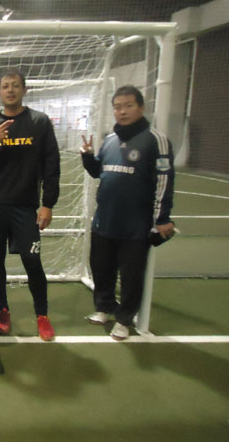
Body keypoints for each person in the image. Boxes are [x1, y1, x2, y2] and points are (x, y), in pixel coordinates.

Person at [0, 68, 60, 341]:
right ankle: (3, 310)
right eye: (5, 86)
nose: (10, 90)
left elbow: (51, 165)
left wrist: (48, 204)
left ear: (24, 90)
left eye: (15, 85)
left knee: (32, 261)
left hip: (24, 207)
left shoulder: (39, 122)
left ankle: (42, 315)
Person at [81, 85, 175, 340]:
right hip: (105, 219)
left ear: (141, 107)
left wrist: (162, 218)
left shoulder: (155, 139)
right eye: (117, 107)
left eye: (128, 106)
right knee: (101, 267)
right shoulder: (110, 140)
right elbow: (99, 171)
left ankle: (124, 319)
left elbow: (164, 181)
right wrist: (88, 157)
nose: (122, 111)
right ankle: (104, 307)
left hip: (135, 224)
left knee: (131, 276)